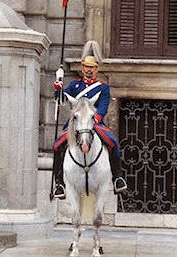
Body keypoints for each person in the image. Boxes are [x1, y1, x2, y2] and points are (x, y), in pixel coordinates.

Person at [52, 40, 127, 200]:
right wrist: (58, 87)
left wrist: (95, 119)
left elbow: (103, 106)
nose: (89, 70)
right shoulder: (74, 85)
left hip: (94, 122)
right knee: (57, 145)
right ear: (82, 68)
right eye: (86, 67)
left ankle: (118, 178)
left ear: (96, 69)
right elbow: (61, 100)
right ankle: (59, 183)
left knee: (113, 142)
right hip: (75, 124)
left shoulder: (102, 87)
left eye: (92, 67)